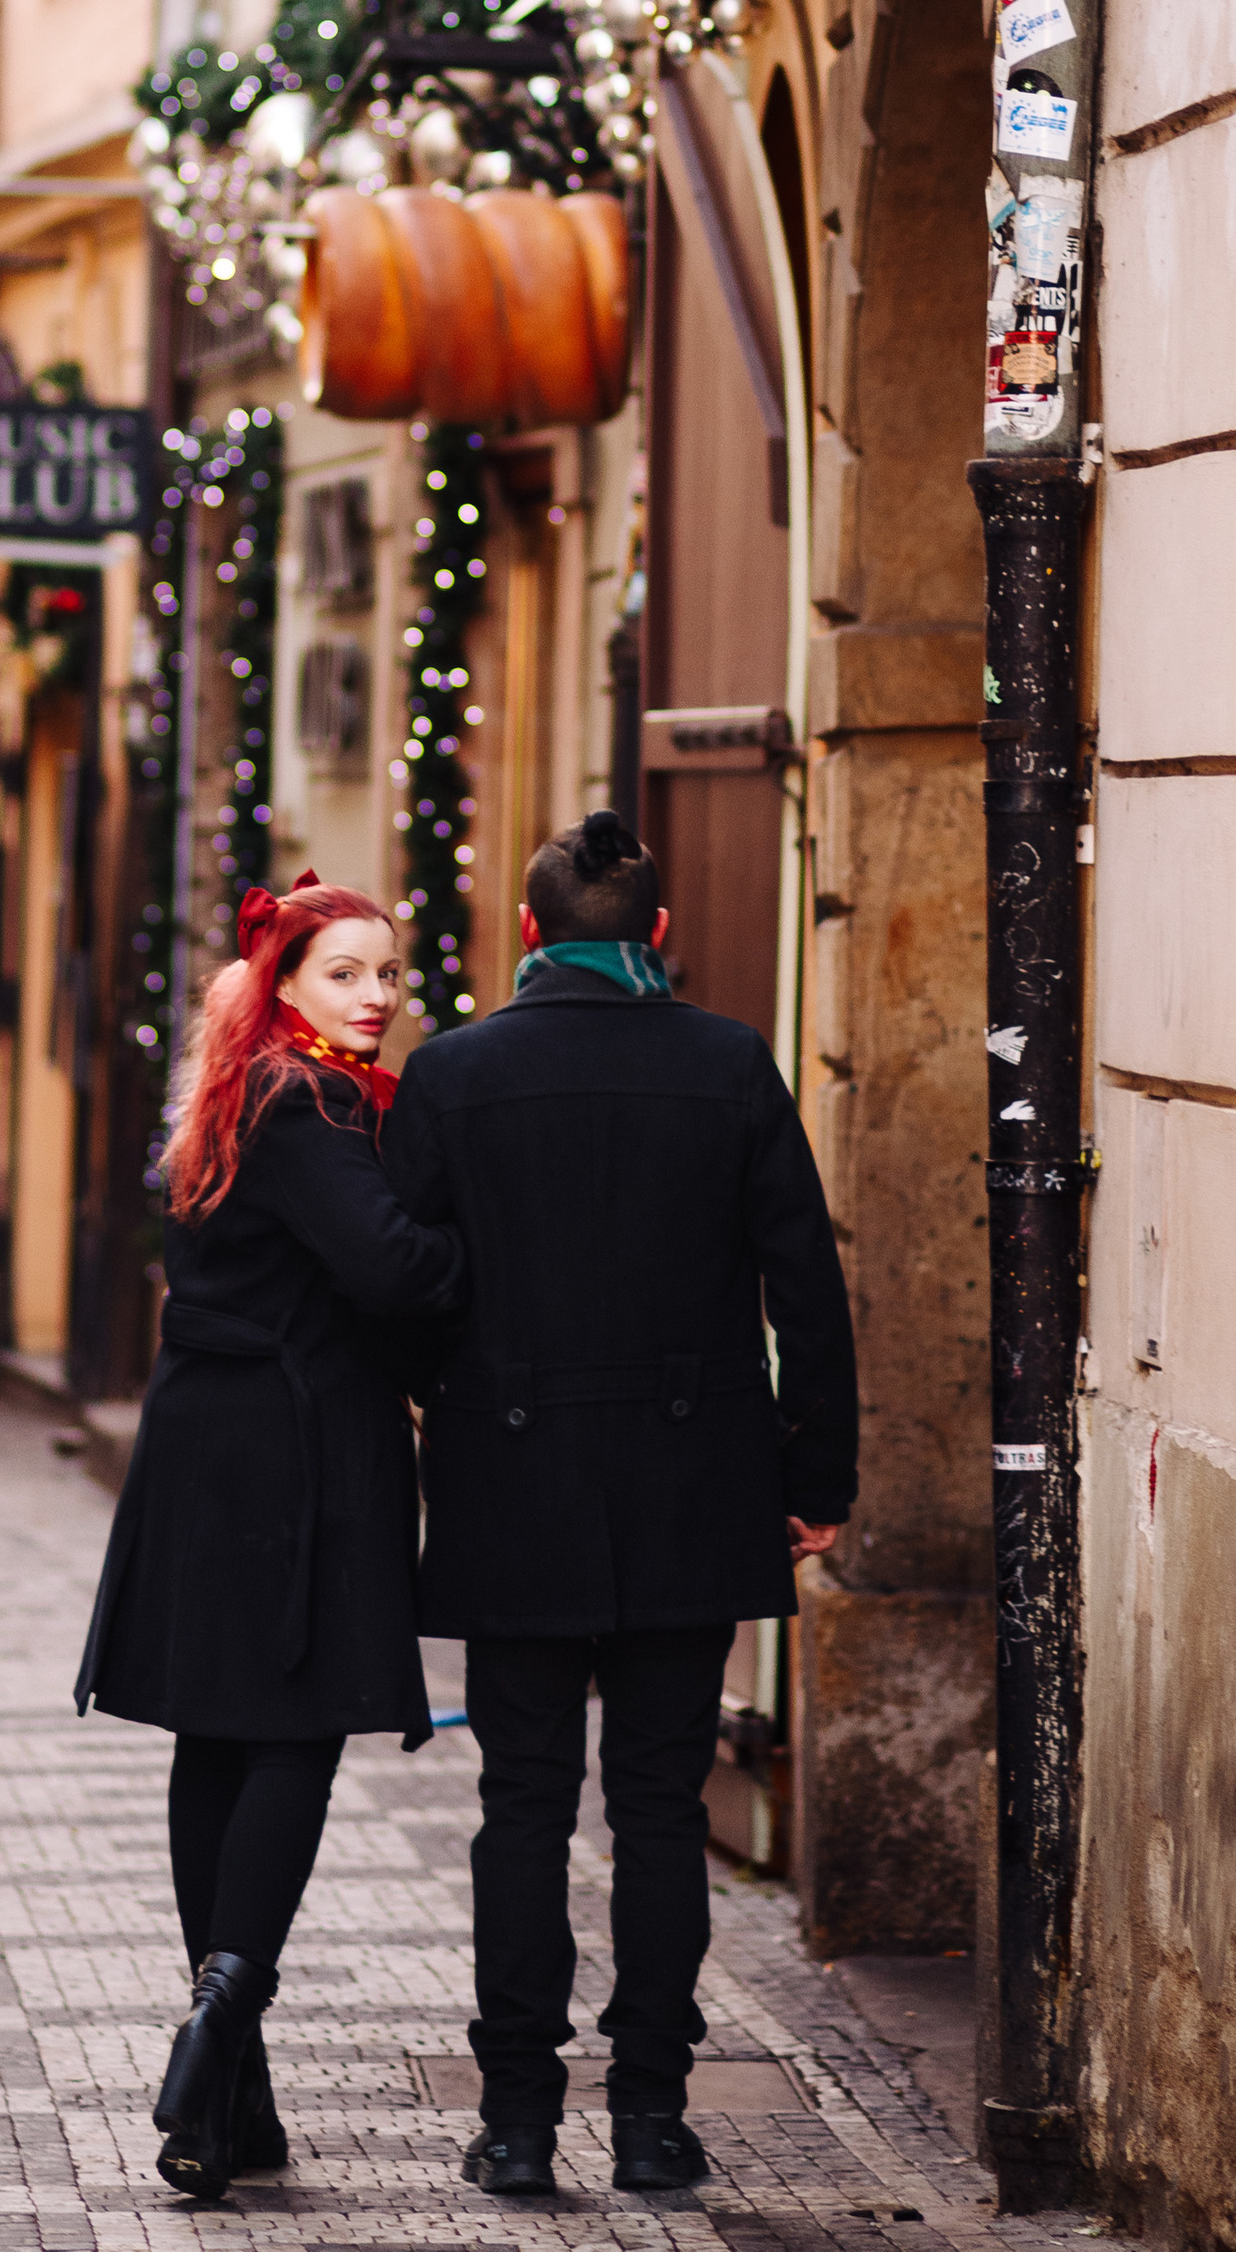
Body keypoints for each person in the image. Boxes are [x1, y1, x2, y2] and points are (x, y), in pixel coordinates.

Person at [381, 808, 857, 2200]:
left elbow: (407, 1284)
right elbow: (807, 1295)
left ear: (529, 934)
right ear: (657, 936)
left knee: (521, 1807)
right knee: (658, 1809)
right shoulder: (728, 1064)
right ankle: (652, 2116)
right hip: (691, 1488)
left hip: (511, 1485)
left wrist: (443, 1405)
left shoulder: (451, 1077)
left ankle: (517, 2120)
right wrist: (812, 1477)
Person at [76, 873, 465, 2203]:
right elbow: (392, 1269)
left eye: (389, 974)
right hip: (293, 1449)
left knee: (219, 1735)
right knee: (289, 1734)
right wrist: (476, 1266)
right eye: (347, 972)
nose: (377, 996)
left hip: (208, 1438)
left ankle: (230, 2093)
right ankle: (221, 2027)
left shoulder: (237, 1090)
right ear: (289, 983)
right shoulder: (310, 1104)